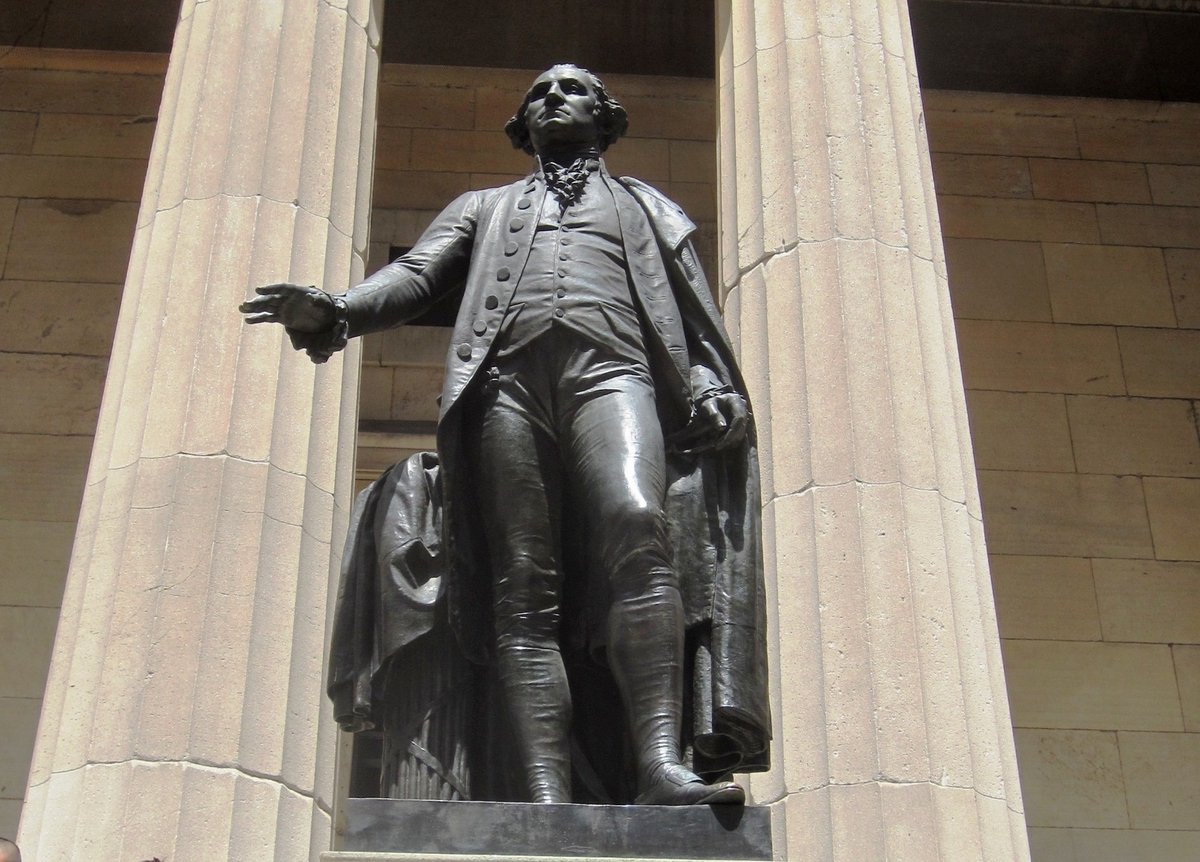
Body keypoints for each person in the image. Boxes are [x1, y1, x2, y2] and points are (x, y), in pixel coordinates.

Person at [241, 64, 768, 805]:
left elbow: (694, 318)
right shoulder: (485, 207)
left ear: (605, 116)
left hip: (612, 375)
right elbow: (421, 274)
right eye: (540, 93)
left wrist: (712, 385)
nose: (554, 97)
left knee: (637, 521)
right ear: (523, 127)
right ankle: (544, 792)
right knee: (523, 583)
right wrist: (337, 310)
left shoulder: (649, 210)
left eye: (572, 88)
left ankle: (657, 766)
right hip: (506, 390)